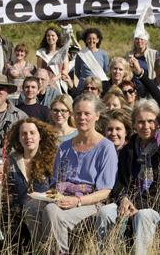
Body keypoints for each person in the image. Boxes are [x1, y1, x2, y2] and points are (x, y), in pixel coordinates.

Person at [98, 99, 160, 254]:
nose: (146, 126)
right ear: (134, 124)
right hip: (127, 203)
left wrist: (135, 204)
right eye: (141, 122)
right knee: (105, 212)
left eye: (150, 121)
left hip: (159, 208)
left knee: (143, 215)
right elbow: (119, 182)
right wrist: (123, 198)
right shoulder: (128, 150)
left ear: (159, 122)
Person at [37, 93, 117, 254]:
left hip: (89, 202)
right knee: (32, 206)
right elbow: (56, 181)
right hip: (62, 197)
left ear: (96, 116)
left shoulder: (106, 147)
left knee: (52, 212)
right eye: (78, 113)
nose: (82, 117)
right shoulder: (65, 147)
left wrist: (78, 201)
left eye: (87, 113)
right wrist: (51, 195)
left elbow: (105, 191)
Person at [3, 118, 58, 244]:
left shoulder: (52, 160)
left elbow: (57, 192)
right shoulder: (10, 160)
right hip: (16, 221)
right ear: (19, 138)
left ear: (40, 136)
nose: (28, 137)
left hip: (42, 218)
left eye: (32, 133)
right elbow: (6, 191)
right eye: (24, 134)